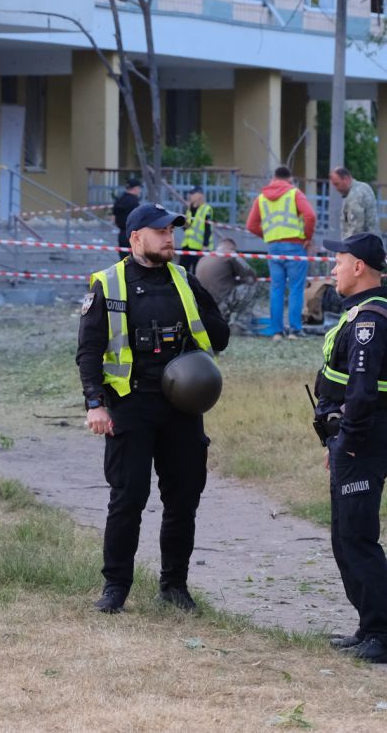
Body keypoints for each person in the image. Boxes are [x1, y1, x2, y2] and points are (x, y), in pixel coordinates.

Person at [77, 202, 230, 614]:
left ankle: (174, 586)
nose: (169, 237)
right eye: (160, 231)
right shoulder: (108, 284)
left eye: (172, 231)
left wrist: (205, 303)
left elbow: (219, 336)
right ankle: (115, 588)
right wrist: (95, 404)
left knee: (183, 498)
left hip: (182, 407)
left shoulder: (184, 279)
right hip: (130, 404)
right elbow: (88, 351)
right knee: (128, 498)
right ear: (135, 238)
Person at [313, 232, 387, 664]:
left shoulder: (370, 321)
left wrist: (346, 444)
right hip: (352, 439)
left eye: (339, 261)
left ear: (359, 267)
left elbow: (364, 393)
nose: (332, 269)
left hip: (364, 440)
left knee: (358, 538)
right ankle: (368, 626)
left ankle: (384, 638)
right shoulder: (357, 315)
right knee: (344, 538)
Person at [246, 165, 316, 341]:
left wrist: (269, 235)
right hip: (294, 246)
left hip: (274, 248)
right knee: (295, 289)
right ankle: (294, 330)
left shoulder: (261, 198)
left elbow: (251, 225)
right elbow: (310, 216)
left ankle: (277, 331)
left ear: (273, 179)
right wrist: (307, 237)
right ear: (289, 179)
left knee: (276, 289)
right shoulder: (294, 193)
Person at [194, 238, 258, 327]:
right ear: (232, 248)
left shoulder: (204, 257)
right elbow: (251, 275)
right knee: (251, 286)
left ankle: (223, 318)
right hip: (220, 305)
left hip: (202, 307)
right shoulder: (230, 254)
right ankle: (240, 324)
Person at [330, 167, 379, 237]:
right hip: (371, 241)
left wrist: (347, 246)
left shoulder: (354, 196)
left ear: (346, 179)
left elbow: (356, 228)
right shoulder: (363, 187)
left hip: (361, 244)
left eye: (337, 184)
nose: (336, 189)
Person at [179, 186, 213, 272]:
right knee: (182, 271)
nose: (191, 196)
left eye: (193, 194)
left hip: (199, 246)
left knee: (196, 271)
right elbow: (187, 228)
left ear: (200, 195)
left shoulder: (206, 209)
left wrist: (205, 245)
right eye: (190, 194)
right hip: (187, 244)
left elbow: (207, 229)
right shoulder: (189, 209)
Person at [111, 177, 143, 251]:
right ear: (135, 188)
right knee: (134, 260)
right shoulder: (134, 201)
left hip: (122, 234)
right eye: (139, 188)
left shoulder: (119, 199)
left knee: (123, 260)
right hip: (132, 235)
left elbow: (113, 218)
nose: (139, 190)